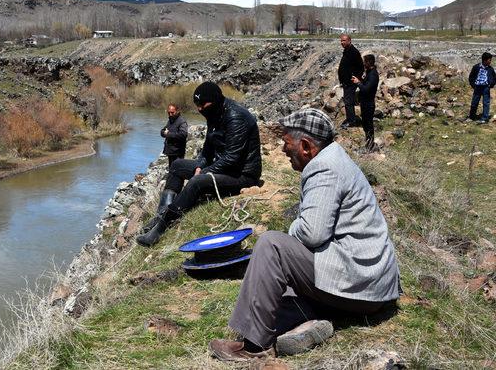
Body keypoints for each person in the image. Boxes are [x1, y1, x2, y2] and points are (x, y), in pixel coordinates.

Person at [209, 108, 400, 362]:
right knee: (280, 279)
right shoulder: (333, 157)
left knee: (272, 246)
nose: (282, 150)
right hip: (371, 286)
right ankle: (311, 321)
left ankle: (256, 347)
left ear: (307, 146)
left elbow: (312, 233)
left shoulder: (324, 169)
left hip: (361, 284)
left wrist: (291, 229)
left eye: (287, 144)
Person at [136, 81, 262, 247]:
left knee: (197, 181)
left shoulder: (235, 117)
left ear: (215, 101)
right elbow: (207, 152)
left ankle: (162, 227)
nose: (200, 109)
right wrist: (200, 166)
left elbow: (232, 158)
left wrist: (203, 172)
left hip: (242, 175)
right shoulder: (214, 114)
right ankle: (161, 214)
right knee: (177, 165)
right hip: (225, 169)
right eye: (197, 105)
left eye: (203, 105)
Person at [352, 54, 379, 151]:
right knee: (365, 124)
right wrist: (360, 80)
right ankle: (368, 144)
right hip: (365, 103)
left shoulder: (373, 75)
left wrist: (358, 83)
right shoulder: (369, 72)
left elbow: (366, 89)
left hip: (369, 104)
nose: (363, 64)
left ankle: (370, 146)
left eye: (365, 62)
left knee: (368, 125)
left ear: (368, 62)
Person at [338, 34, 364, 128]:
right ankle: (350, 118)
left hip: (350, 82)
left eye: (344, 40)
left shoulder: (354, 52)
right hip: (346, 82)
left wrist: (355, 78)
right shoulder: (347, 51)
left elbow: (361, 67)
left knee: (349, 101)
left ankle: (351, 121)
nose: (342, 42)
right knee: (347, 100)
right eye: (341, 41)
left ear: (349, 41)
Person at [467, 52, 495, 124]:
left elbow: (494, 78)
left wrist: (491, 84)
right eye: (489, 60)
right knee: (474, 102)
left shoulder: (490, 69)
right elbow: (471, 77)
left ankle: (484, 118)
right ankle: (472, 117)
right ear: (485, 60)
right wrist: (473, 85)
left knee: (486, 103)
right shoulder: (476, 67)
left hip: (486, 87)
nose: (490, 61)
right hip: (477, 87)